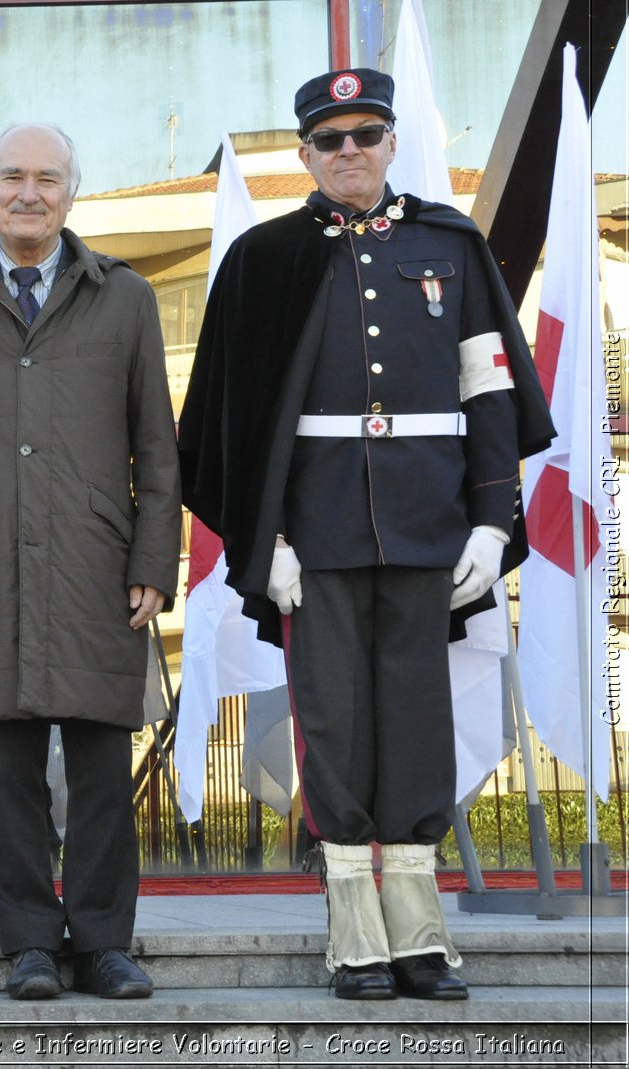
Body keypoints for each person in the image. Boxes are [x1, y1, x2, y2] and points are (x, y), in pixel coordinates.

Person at [178, 69, 554, 1001]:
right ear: (306, 154)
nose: (350, 151)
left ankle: (420, 935)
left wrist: (489, 516)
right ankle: (355, 935)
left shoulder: (452, 245)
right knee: (335, 722)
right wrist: (262, 538)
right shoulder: (265, 259)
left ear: (391, 144)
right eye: (330, 139)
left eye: (366, 134)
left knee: (420, 720)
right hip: (318, 533)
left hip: (430, 526)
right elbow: (226, 419)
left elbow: (491, 392)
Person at [0, 123, 179, 1001]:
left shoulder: (127, 297)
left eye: (48, 178)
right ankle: (28, 940)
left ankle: (104, 940)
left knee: (103, 764)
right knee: (9, 763)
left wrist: (153, 556)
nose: (30, 192)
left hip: (97, 564)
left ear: (73, 191)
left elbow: (156, 442)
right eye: (13, 177)